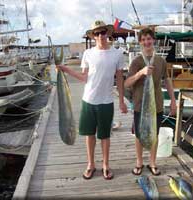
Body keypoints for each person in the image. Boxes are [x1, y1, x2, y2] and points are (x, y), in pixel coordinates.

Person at [58, 20, 127, 180]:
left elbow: (120, 79)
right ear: (93, 36)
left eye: (103, 32)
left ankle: (105, 164)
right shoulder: (88, 53)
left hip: (107, 102)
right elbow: (83, 77)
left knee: (105, 136)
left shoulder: (117, 54)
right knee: (89, 135)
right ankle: (91, 164)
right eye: (97, 33)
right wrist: (66, 69)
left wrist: (122, 101)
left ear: (107, 34)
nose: (100, 35)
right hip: (88, 100)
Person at [124, 28, 176, 176]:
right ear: (140, 42)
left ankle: (153, 163)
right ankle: (139, 163)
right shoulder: (136, 61)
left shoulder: (160, 61)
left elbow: (167, 81)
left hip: (157, 105)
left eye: (149, 39)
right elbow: (127, 83)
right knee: (139, 135)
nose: (147, 42)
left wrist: (173, 101)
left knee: (154, 133)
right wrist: (141, 73)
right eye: (144, 39)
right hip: (140, 105)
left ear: (153, 40)